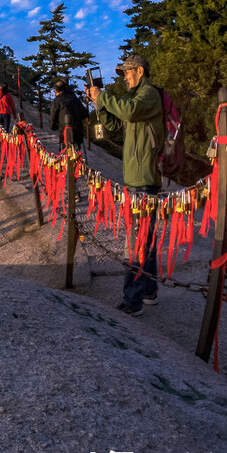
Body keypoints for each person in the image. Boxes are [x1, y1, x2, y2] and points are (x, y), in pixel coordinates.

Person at [87, 54, 165, 317]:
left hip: (145, 180)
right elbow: (113, 124)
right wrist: (99, 105)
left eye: (126, 72)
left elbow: (129, 111)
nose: (123, 77)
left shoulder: (149, 95)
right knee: (146, 238)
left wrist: (103, 97)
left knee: (136, 242)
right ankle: (149, 290)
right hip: (135, 179)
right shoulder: (134, 98)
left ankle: (132, 301)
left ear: (140, 71)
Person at [49, 79, 87, 152]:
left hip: (64, 133)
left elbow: (53, 117)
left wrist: (53, 126)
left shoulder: (57, 101)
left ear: (55, 90)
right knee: (77, 153)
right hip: (77, 132)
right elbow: (84, 113)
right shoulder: (75, 99)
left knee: (65, 154)